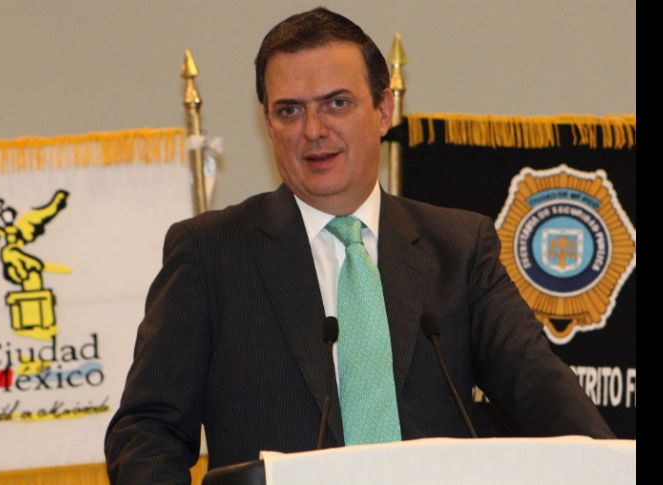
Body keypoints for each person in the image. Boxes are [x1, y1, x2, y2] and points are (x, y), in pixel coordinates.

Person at [105, 7, 614, 483]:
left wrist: (613, 468)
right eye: (289, 110)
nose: (313, 130)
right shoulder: (211, 253)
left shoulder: (459, 248)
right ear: (268, 125)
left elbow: (541, 392)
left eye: (337, 103)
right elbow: (146, 432)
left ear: (383, 109)